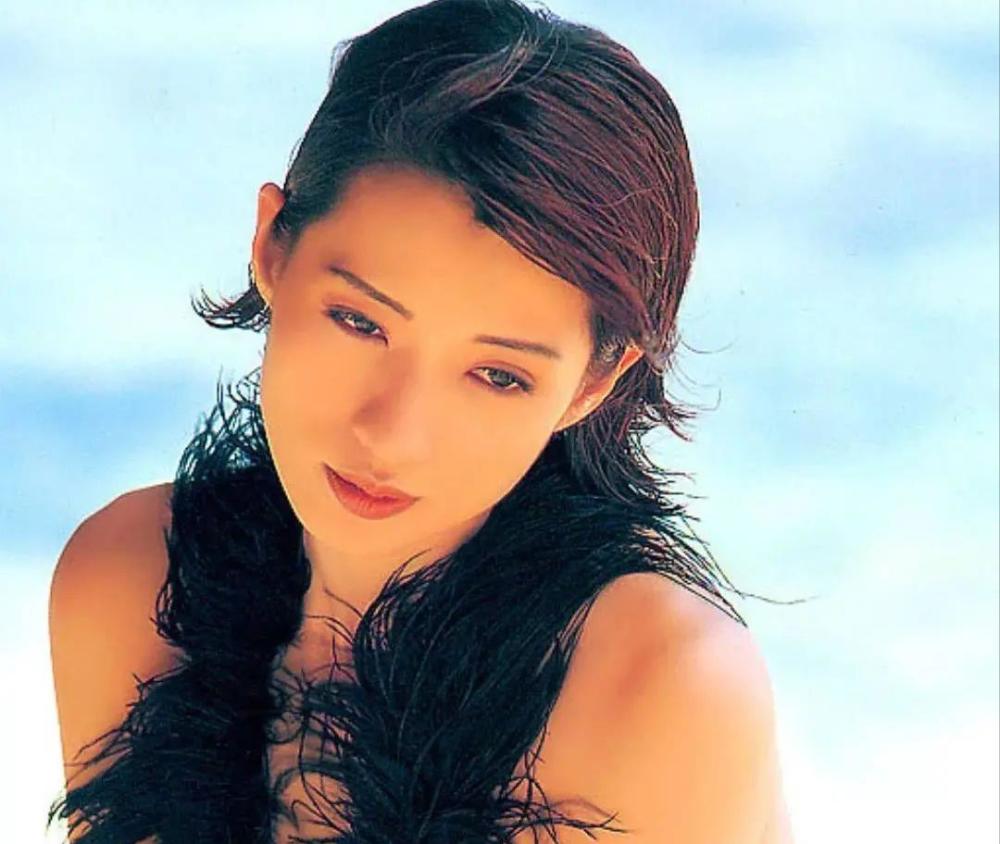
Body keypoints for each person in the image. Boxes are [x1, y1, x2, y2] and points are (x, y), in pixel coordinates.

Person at [47, 1, 793, 841]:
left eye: (497, 375)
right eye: (359, 322)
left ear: (593, 384)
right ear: (272, 248)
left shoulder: (661, 688)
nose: (392, 435)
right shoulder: (129, 582)